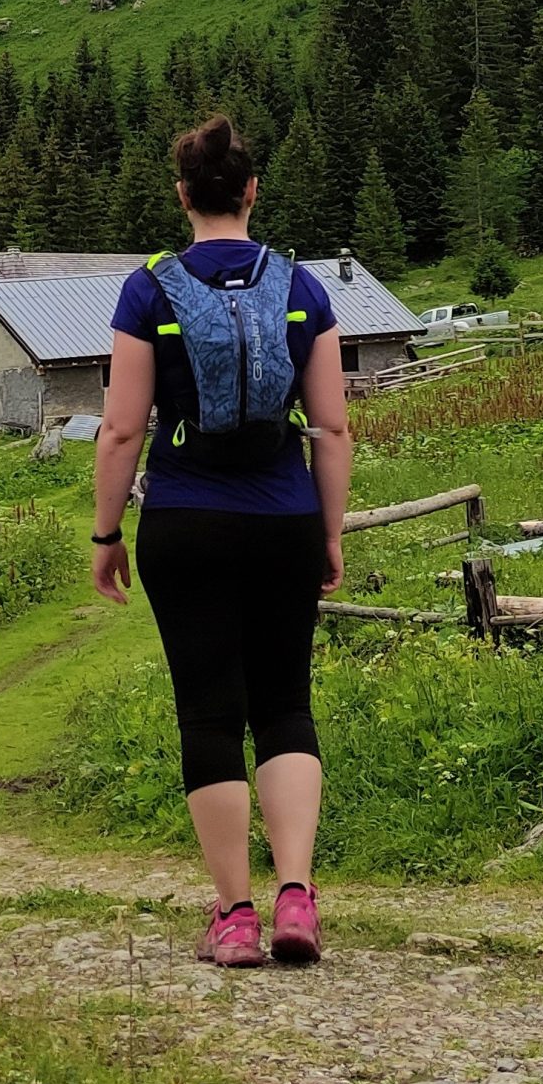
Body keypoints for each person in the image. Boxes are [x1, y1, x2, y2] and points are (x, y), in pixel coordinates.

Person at [91, 112, 353, 968]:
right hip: (282, 517)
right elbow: (334, 428)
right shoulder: (303, 287)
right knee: (286, 702)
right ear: (251, 191)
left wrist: (106, 533)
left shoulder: (149, 289)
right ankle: (297, 901)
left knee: (208, 711)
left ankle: (234, 915)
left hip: (186, 522)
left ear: (182, 197)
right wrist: (328, 530)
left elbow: (122, 430)